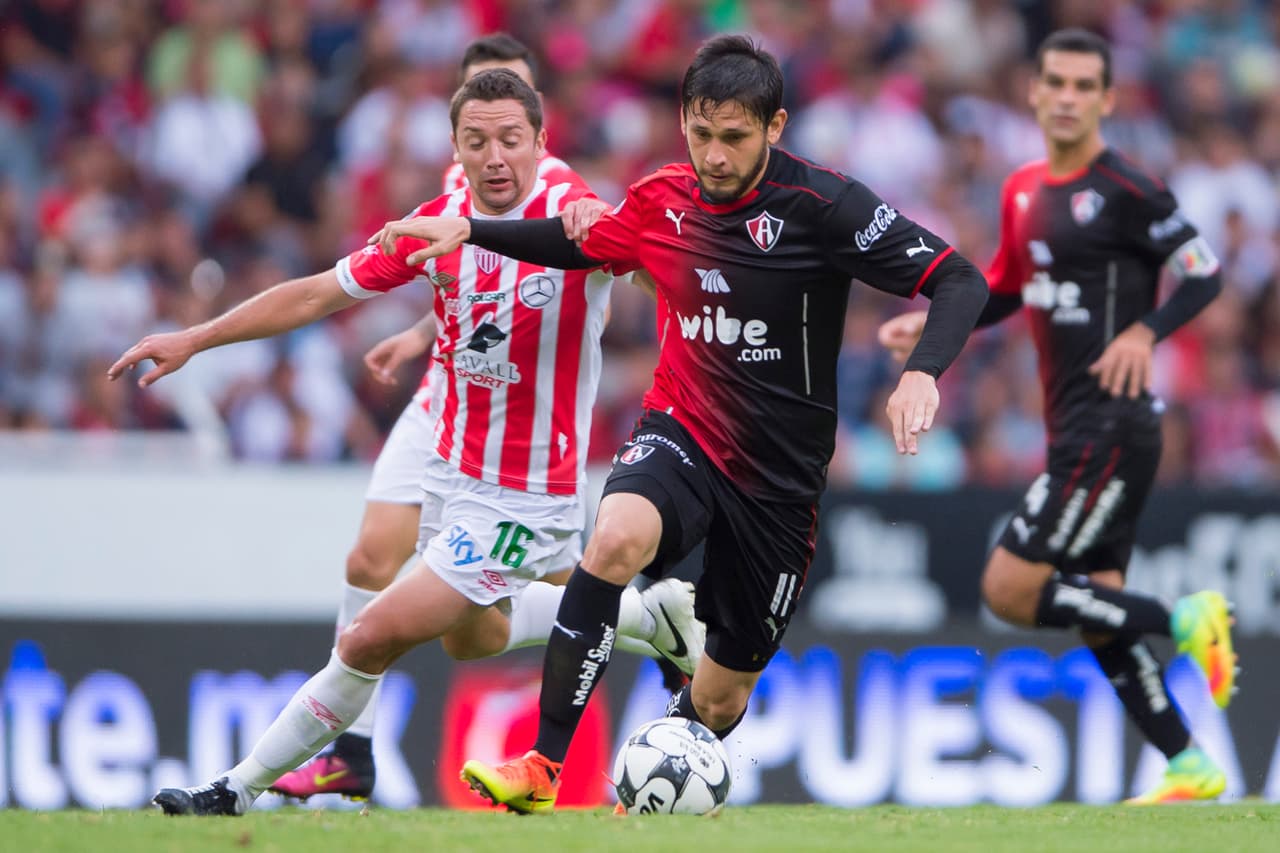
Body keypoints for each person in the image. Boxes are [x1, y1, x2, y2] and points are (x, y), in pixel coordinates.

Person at [369, 34, 991, 814]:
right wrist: (473, 229)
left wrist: (922, 371)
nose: (715, 155)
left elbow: (959, 279)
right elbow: (579, 242)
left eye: (735, 137)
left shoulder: (825, 206)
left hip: (777, 481)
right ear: (683, 121)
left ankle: (664, 760)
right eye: (701, 134)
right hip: (683, 427)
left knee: (723, 697)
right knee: (614, 539)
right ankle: (544, 764)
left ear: (775, 126)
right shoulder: (662, 198)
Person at [110, 69, 701, 817]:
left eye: (510, 140)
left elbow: (672, 282)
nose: (495, 157)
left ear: (540, 142)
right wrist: (196, 338)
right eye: (477, 141)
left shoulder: (575, 217)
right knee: (471, 639)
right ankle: (649, 618)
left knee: (369, 637)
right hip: (450, 478)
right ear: (453, 147)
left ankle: (232, 790)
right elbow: (318, 292)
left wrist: (632, 255)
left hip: (525, 496)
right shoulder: (436, 226)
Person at [268, 31, 679, 806]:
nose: (493, 145)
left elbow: (556, 268)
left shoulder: (564, 193)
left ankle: (647, 623)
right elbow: (469, 276)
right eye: (476, 124)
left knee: (507, 610)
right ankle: (351, 751)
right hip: (449, 394)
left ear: (537, 119)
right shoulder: (456, 187)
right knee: (372, 557)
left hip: (526, 420)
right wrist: (421, 332)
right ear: (457, 125)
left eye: (510, 118)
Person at [878, 29, 1235, 805]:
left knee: (1009, 588)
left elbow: (1205, 273)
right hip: (1074, 425)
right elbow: (1007, 289)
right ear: (1034, 93)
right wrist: (937, 327)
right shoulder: (1022, 190)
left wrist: (1145, 331)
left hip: (1113, 424)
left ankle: (1185, 618)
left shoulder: (1128, 188)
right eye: (1057, 84)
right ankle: (1187, 760)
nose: (1068, 98)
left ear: (1106, 99)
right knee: (1099, 602)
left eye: (1084, 86)